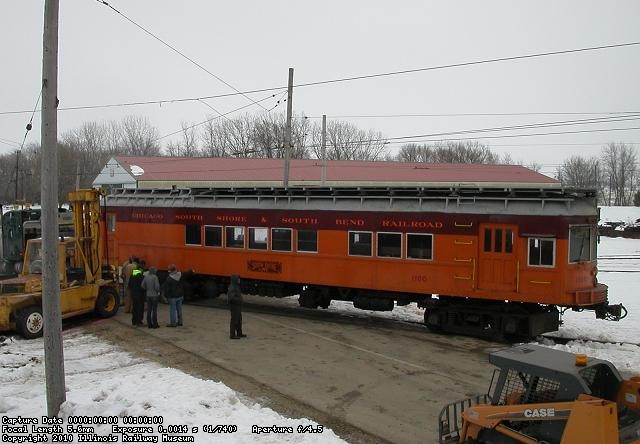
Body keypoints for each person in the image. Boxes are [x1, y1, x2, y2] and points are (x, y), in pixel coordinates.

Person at [227, 274, 246, 339]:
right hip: (234, 306)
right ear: (235, 280)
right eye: (238, 279)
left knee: (239, 320)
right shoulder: (233, 287)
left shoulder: (236, 286)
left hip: (237, 306)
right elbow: (231, 298)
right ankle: (232, 335)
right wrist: (239, 299)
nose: (239, 280)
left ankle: (239, 333)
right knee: (234, 320)